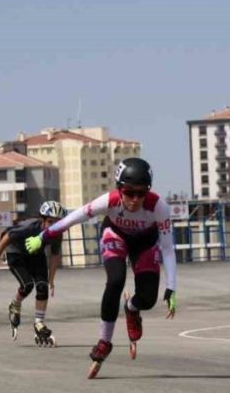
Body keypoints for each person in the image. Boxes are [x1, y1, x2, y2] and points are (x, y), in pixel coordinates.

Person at [25, 158, 178, 378]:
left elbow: (168, 248)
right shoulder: (109, 200)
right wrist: (43, 236)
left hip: (145, 243)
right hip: (116, 235)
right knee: (115, 281)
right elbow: (73, 218)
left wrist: (171, 287)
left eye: (141, 193)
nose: (135, 199)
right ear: (119, 188)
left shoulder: (158, 206)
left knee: (148, 299)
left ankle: (132, 308)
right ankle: (104, 341)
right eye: (129, 192)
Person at [0, 201, 65, 346]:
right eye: (50, 222)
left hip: (35, 253)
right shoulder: (29, 227)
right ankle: (15, 304)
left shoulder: (57, 233)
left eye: (58, 222)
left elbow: (55, 255)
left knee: (42, 286)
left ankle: (39, 323)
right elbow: (7, 237)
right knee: (27, 285)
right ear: (42, 220)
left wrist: (51, 280)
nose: (54, 226)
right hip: (15, 251)